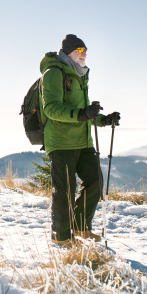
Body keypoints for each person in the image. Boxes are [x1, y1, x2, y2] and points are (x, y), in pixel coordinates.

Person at [40, 34, 120, 247]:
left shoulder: (79, 74)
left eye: (85, 51)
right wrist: (82, 114)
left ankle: (81, 227)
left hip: (83, 141)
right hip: (61, 141)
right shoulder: (53, 73)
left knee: (95, 181)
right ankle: (61, 236)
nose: (84, 55)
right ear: (69, 53)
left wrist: (104, 120)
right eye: (80, 51)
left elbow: (84, 112)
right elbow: (51, 108)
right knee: (64, 190)